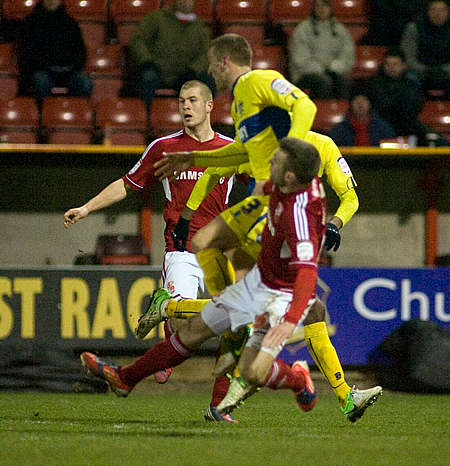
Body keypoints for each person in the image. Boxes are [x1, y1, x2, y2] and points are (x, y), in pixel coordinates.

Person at [150, 34, 382, 421]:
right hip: (266, 227)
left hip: (294, 236)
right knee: (269, 309)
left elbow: (351, 197)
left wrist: (337, 223)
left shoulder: (321, 146)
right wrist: (190, 212)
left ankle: (316, 389)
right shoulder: (267, 145)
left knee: (293, 310)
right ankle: (322, 391)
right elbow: (218, 170)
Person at [82, 138, 379, 422]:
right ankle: (125, 378)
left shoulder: (299, 216)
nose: (268, 161)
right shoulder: (285, 182)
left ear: (289, 177)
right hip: (259, 282)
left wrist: (289, 321)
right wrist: (194, 160)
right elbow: (232, 158)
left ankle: (299, 380)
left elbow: (307, 274)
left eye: (275, 161)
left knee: (251, 371)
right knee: (191, 334)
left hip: (279, 296)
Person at [63, 80, 237, 423]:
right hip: (183, 251)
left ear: (209, 106)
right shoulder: (164, 147)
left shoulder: (230, 148)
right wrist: (86, 208)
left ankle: (219, 406)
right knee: (193, 318)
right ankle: (168, 313)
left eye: (192, 100)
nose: (185, 106)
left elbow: (263, 179)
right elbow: (127, 184)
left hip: (219, 254)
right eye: (181, 101)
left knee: (234, 328)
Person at [128, 0, 213, 107]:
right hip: (157, 71)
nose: (184, 2)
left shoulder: (200, 27)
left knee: (209, 81)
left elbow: (205, 54)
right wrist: (147, 62)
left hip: (185, 74)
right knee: (148, 78)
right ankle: (145, 116)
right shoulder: (156, 18)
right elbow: (138, 41)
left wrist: (193, 70)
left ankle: (204, 119)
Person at [17, 0, 92, 103]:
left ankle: (76, 114)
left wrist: (71, 66)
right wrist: (46, 65)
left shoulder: (70, 23)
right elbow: (26, 53)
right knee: (41, 81)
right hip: (41, 70)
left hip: (68, 72)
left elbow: (80, 52)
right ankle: (43, 115)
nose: (52, 1)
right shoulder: (30, 22)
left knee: (85, 83)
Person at [289, 0, 355, 100]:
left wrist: (335, 67)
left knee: (344, 82)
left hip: (333, 71)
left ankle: (340, 113)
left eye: (325, 6)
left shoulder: (340, 29)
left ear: (330, 9)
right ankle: (321, 114)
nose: (321, 9)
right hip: (305, 74)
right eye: (318, 6)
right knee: (324, 82)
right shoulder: (303, 29)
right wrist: (321, 69)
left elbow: (347, 54)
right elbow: (299, 59)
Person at [367, 48, 430, 146]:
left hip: (408, 125)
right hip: (381, 126)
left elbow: (417, 106)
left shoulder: (412, 84)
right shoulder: (374, 84)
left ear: (403, 65)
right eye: (388, 64)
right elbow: (381, 106)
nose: (391, 68)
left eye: (395, 64)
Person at [400, 0, 450, 98]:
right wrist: (426, 71)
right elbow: (408, 57)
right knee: (408, 79)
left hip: (447, 72)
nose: (437, 14)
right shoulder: (413, 28)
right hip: (419, 72)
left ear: (448, 12)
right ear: (427, 12)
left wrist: (443, 71)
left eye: (442, 10)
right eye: (433, 10)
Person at [329, 94, 396, 146]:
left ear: (369, 104)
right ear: (351, 105)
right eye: (356, 101)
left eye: (364, 101)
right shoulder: (338, 130)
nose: (360, 105)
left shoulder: (383, 128)